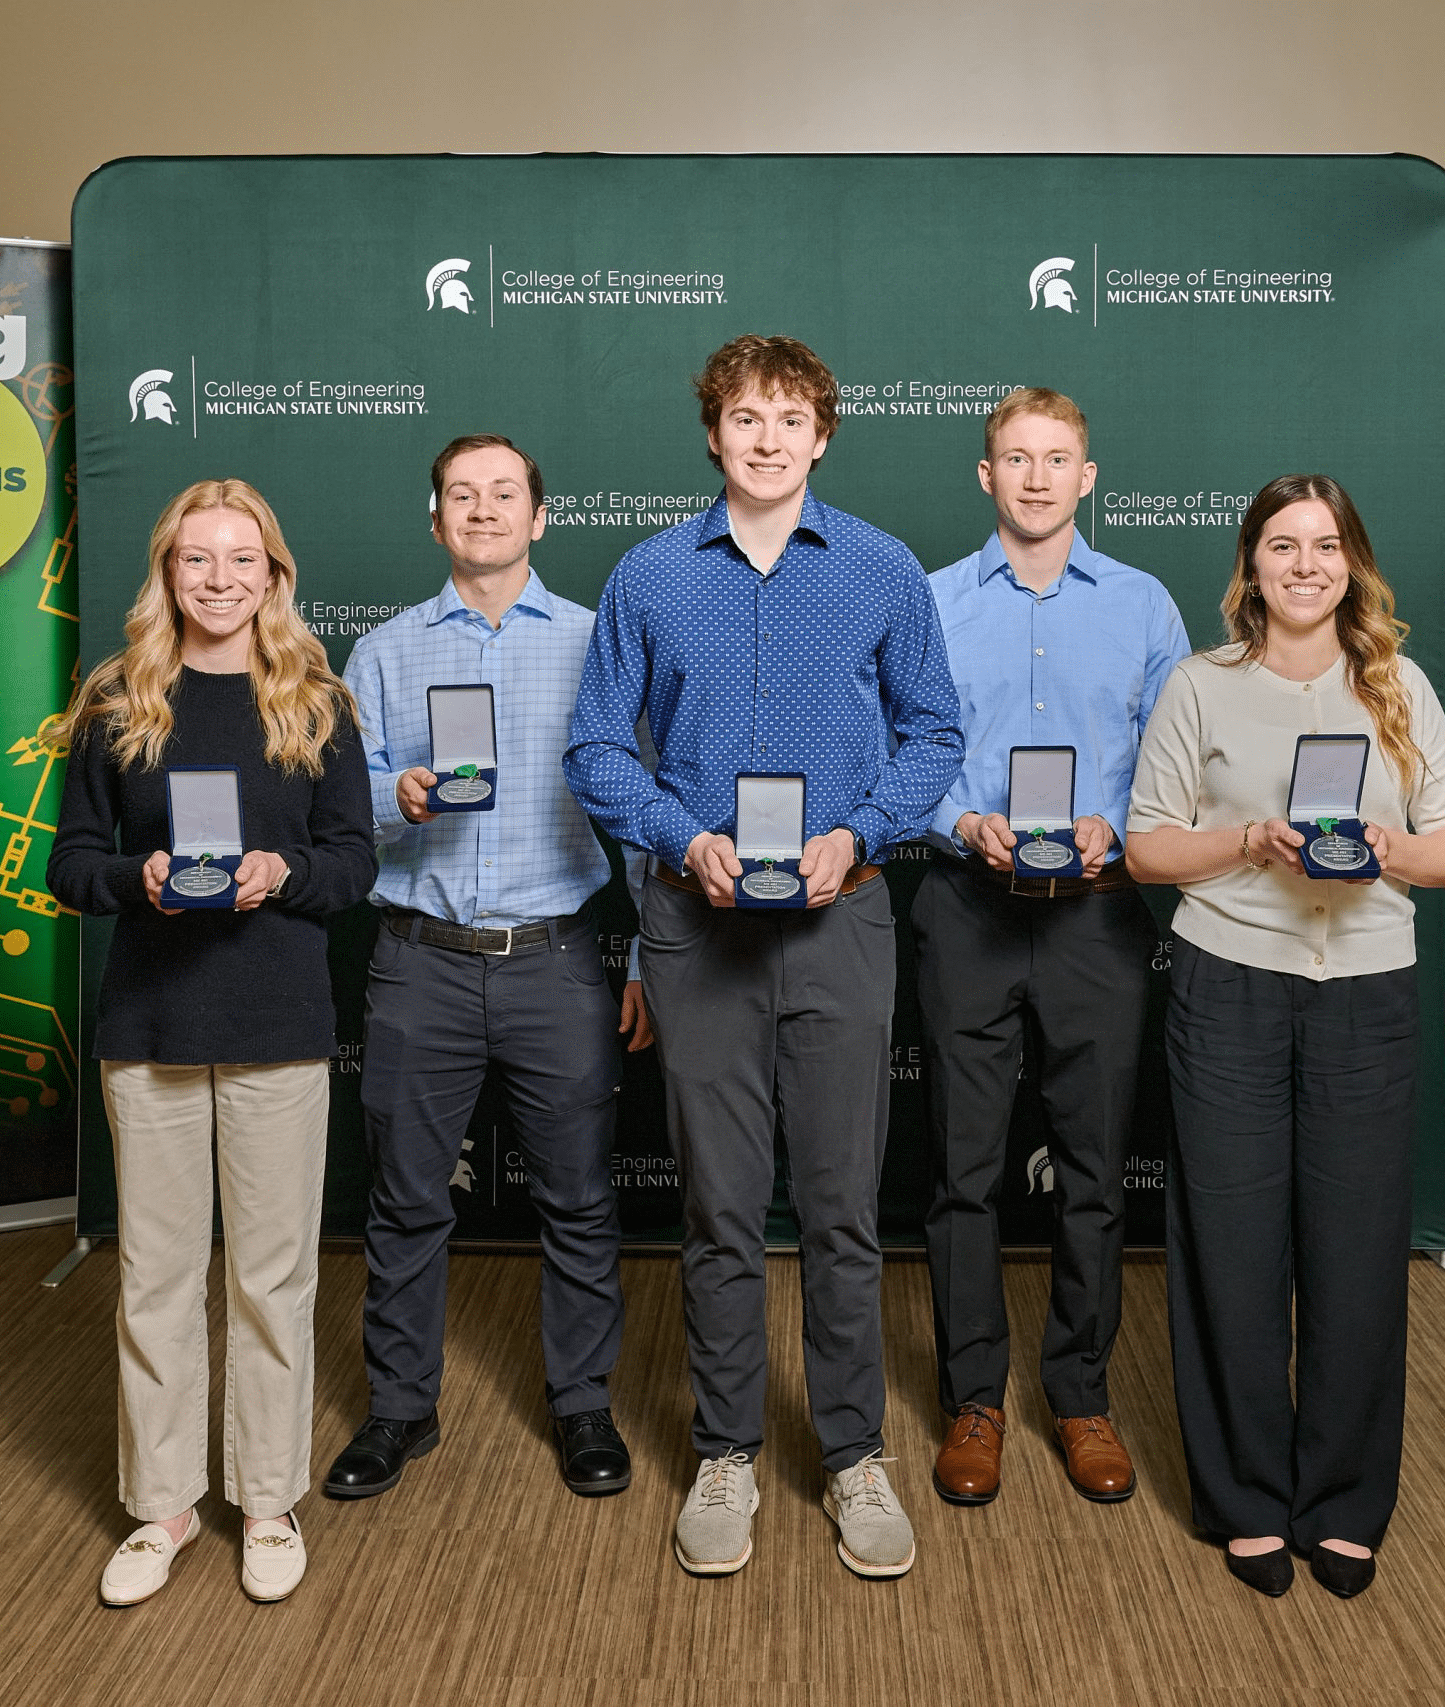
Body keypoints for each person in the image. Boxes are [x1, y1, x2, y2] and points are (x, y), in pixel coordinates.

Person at [565, 334, 963, 1579]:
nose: (768, 438)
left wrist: (862, 831)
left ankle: (853, 1458)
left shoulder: (884, 569)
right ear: (712, 433)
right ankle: (727, 1453)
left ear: (823, 436)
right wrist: (684, 841)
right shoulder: (646, 575)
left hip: (841, 920)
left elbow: (936, 731)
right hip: (700, 927)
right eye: (745, 417)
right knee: (722, 1211)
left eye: (791, 418)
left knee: (842, 1211)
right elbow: (596, 751)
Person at [1125, 473, 1445, 1601]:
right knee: (1228, 1252)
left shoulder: (1399, 689)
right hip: (1228, 986)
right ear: (1251, 566)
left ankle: (1341, 1502)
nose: (1305, 565)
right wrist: (1247, 840)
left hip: (1365, 994)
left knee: (1356, 1254)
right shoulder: (1200, 686)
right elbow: (1145, 850)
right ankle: (1243, 1498)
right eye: (1283, 545)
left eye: (1326, 546)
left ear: (1353, 564)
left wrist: (1382, 846)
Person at [47, 477, 377, 1608]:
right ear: (169, 573)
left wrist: (284, 873)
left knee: (273, 1281)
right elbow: (69, 865)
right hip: (150, 1027)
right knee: (156, 1277)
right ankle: (163, 1506)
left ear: (274, 574)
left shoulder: (317, 703)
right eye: (199, 560)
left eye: (243, 560)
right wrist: (136, 878)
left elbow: (354, 865)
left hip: (280, 1026)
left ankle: (269, 1497)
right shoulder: (116, 699)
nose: (221, 579)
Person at [322, 433, 652, 1507]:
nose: (482, 510)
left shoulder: (599, 643)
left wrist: (646, 947)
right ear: (435, 520)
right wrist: (395, 798)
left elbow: (640, 814)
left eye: (503, 494)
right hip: (419, 962)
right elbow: (338, 812)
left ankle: (581, 1402)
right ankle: (399, 1408)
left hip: (555, 963)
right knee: (407, 1200)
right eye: (461, 495)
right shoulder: (380, 653)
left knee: (578, 1201)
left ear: (539, 517)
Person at [916, 388, 1189, 1508]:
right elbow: (904, 747)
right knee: (961, 1173)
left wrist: (1113, 829)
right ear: (986, 477)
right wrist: (960, 819)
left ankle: (1080, 1395)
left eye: (1057, 459)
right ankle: (971, 1399)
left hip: (1096, 916)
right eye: (1015, 459)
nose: (1035, 477)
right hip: (964, 910)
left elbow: (1180, 759)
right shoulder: (928, 601)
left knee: (1093, 1172)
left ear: (1088, 476)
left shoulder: (1142, 605)